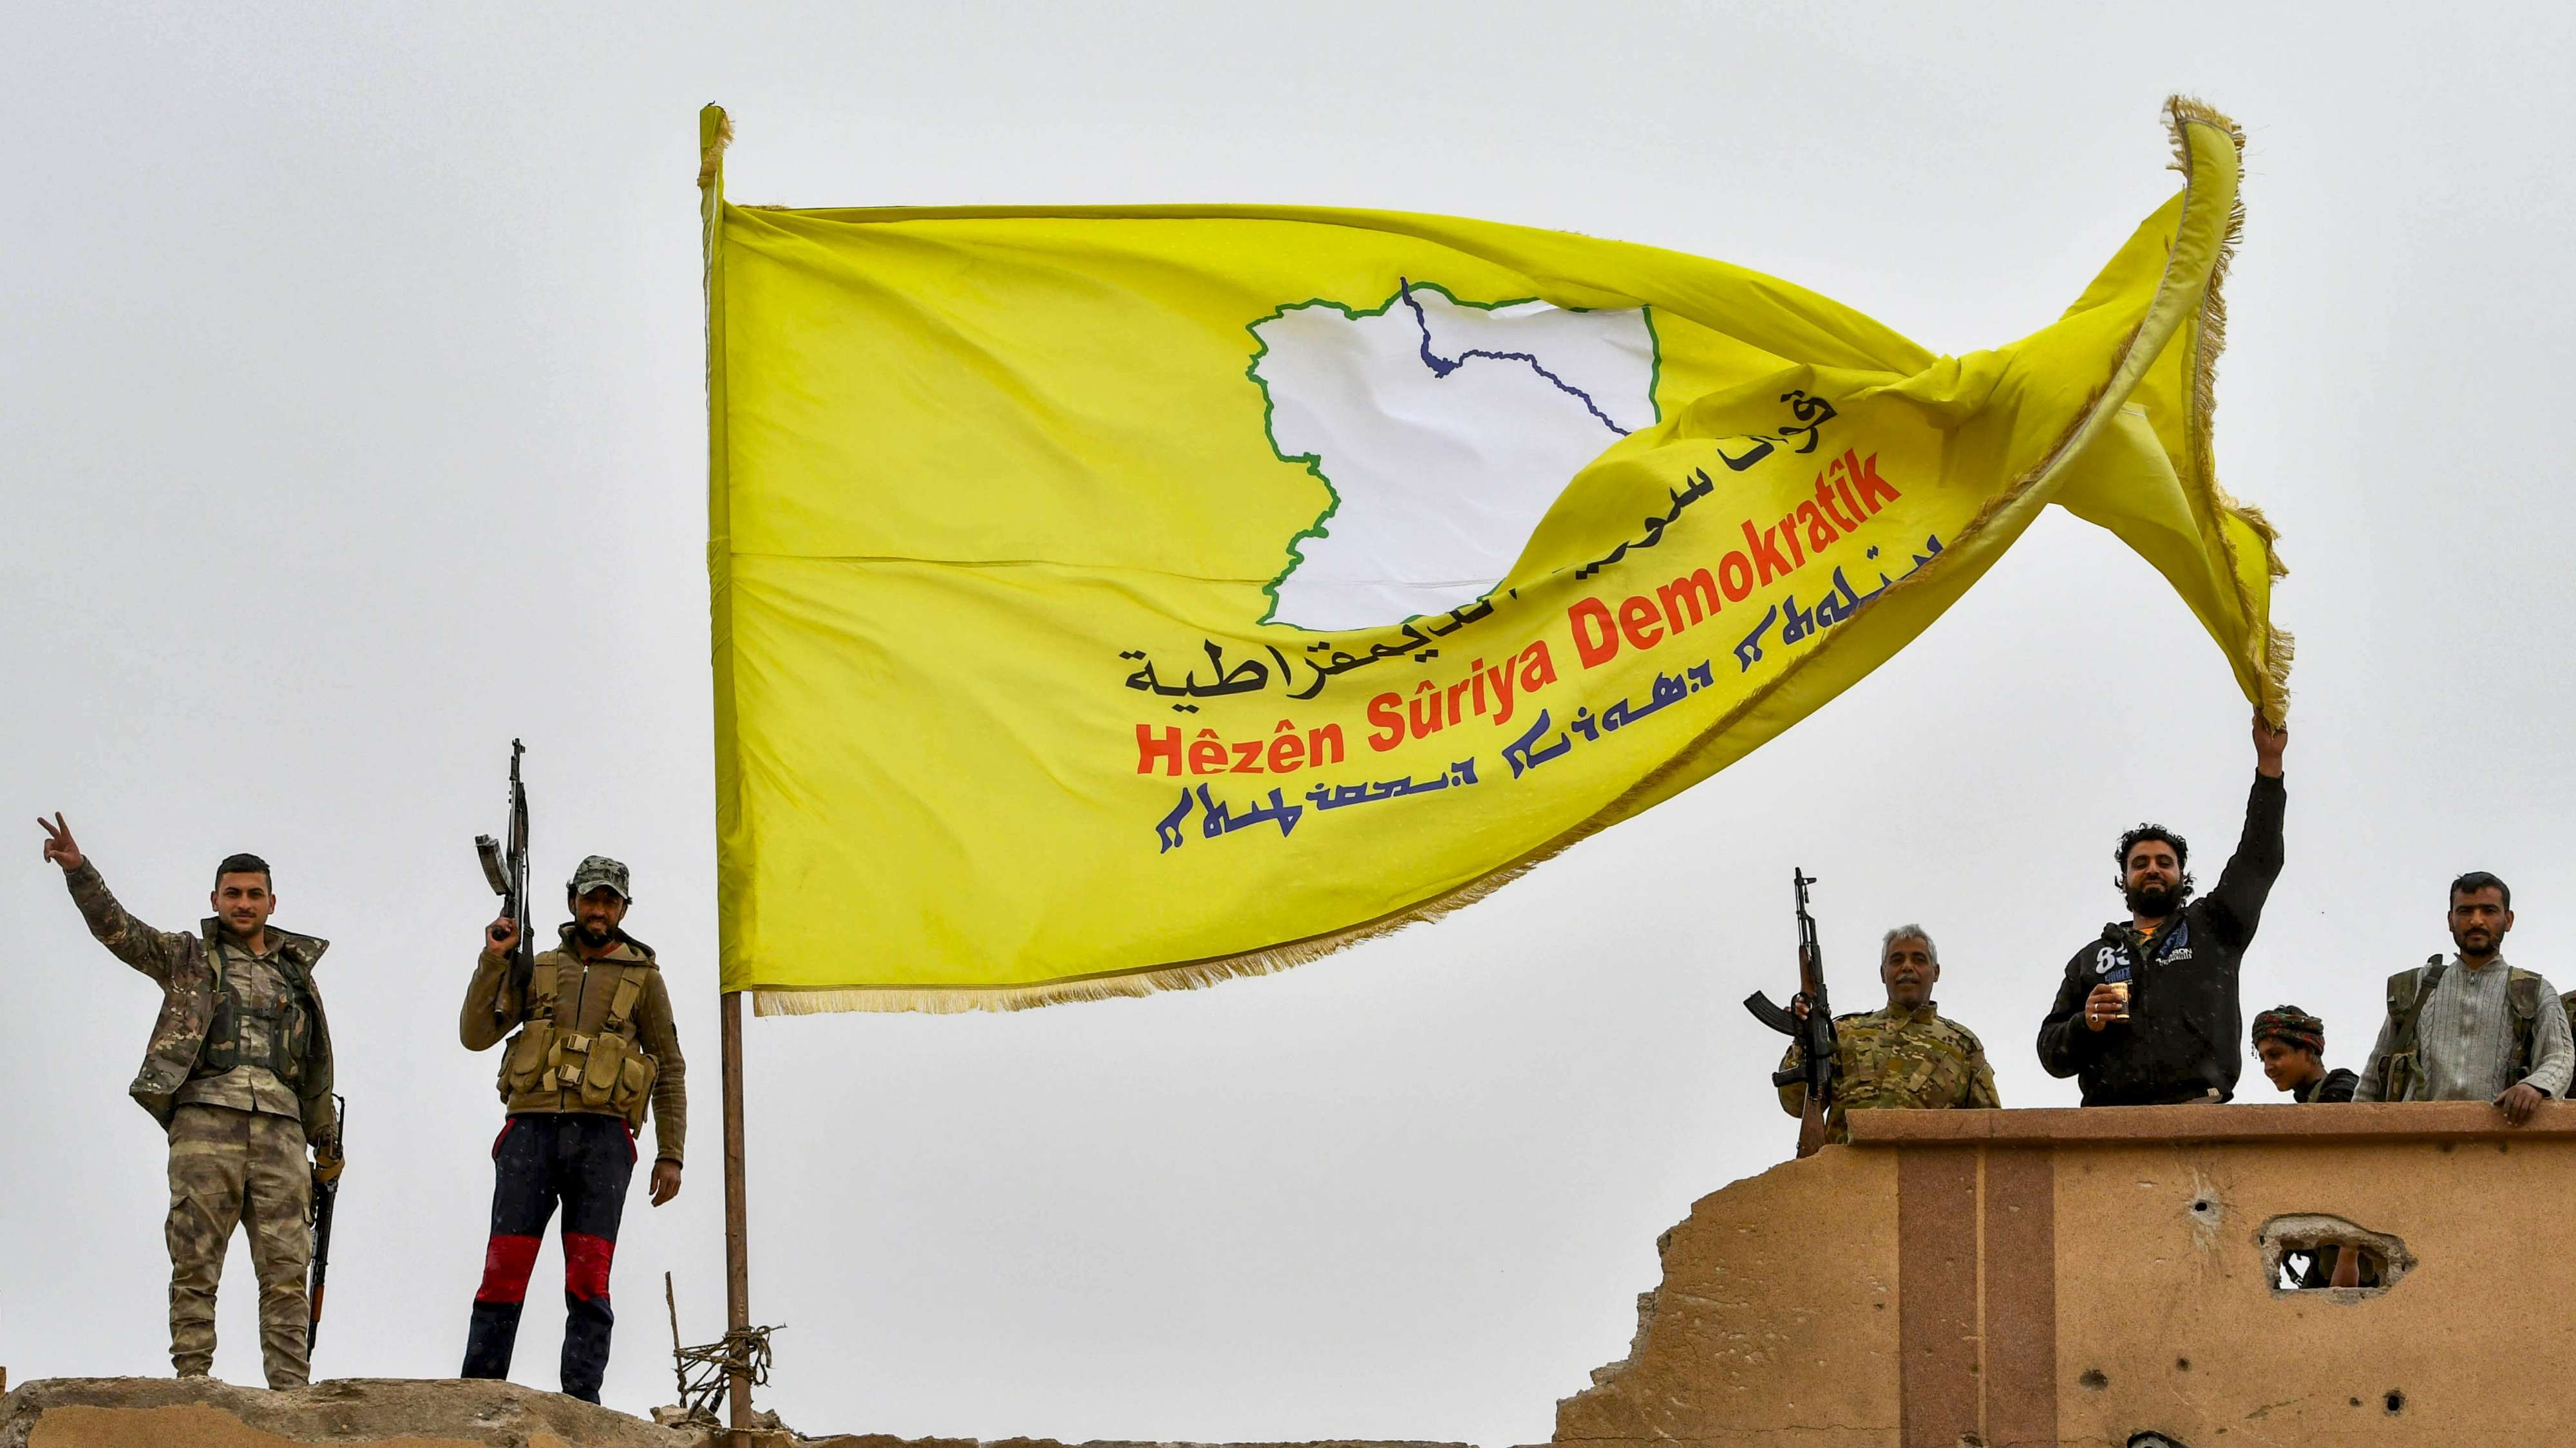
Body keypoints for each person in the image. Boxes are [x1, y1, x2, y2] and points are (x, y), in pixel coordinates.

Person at [38, 814, 341, 1389]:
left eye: (254, 894)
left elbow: (316, 1066)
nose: (244, 903)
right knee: (196, 1257)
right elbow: (120, 931)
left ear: (272, 901)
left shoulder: (296, 974)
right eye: (234, 893)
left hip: (281, 1127)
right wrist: (81, 872)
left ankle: (291, 1390)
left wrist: (325, 1138)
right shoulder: (187, 957)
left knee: (286, 1267)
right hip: (205, 1119)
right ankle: (193, 1383)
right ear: (216, 899)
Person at [458, 854, 687, 1404]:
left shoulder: (643, 977)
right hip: (529, 1135)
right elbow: (474, 1033)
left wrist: (671, 1153)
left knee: (589, 1280)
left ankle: (581, 1404)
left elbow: (669, 1064)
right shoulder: (534, 966)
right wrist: (495, 959)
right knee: (503, 1271)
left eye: (610, 900)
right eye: (591, 898)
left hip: (603, 1144)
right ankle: (475, 1398)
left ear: (624, 907)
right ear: (572, 901)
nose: (599, 909)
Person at [2036, 716, 2288, 1105]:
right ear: (2124, 880)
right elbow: (2052, 1054)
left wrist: (2269, 766)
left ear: (2181, 875)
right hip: (2109, 1126)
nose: (2152, 868)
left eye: (2164, 862)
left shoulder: (2216, 926)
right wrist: (2086, 1024)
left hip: (2199, 1111)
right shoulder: (2091, 960)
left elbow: (2259, 859)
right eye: (2140, 864)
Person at [2351, 872, 2570, 1118]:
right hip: (2417, 1143)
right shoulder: (2415, 988)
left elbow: (2559, 1057)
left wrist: (2535, 1086)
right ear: (2450, 920)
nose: (2477, 921)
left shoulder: (2534, 990)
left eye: (2489, 910)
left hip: (2501, 1142)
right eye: (2465, 911)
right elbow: (2373, 1078)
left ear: (2508, 920)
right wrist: (2351, 1138)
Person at [1777, 925, 2000, 1143]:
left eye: (1919, 959)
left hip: (1925, 1176)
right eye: (1897, 960)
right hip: (1844, 1175)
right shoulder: (1845, 1033)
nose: (1907, 967)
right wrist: (1805, 1039)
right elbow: (1795, 1103)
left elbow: (1992, 1132)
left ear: (1936, 972)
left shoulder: (1962, 1047)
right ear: (1883, 973)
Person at [2251, 1005, 2357, 1103]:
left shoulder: (2341, 1095)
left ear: (2309, 1052)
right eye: (2263, 1059)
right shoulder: (2310, 1101)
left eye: (2275, 1055)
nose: (2267, 1068)